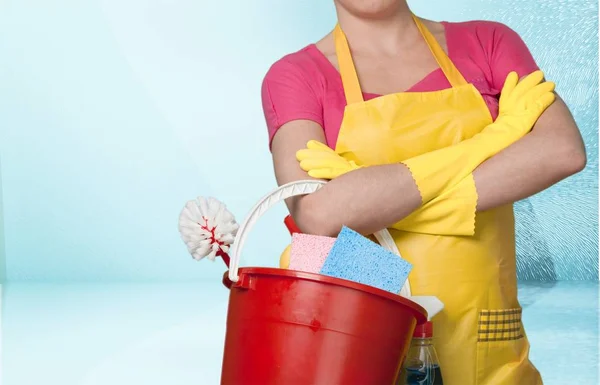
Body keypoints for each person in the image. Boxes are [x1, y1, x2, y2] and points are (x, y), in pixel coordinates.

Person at [261, 1, 586, 384]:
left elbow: (564, 152)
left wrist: (368, 194)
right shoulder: (295, 76)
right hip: (368, 344)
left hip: (489, 349)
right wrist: (496, 138)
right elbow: (317, 216)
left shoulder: (487, 42)